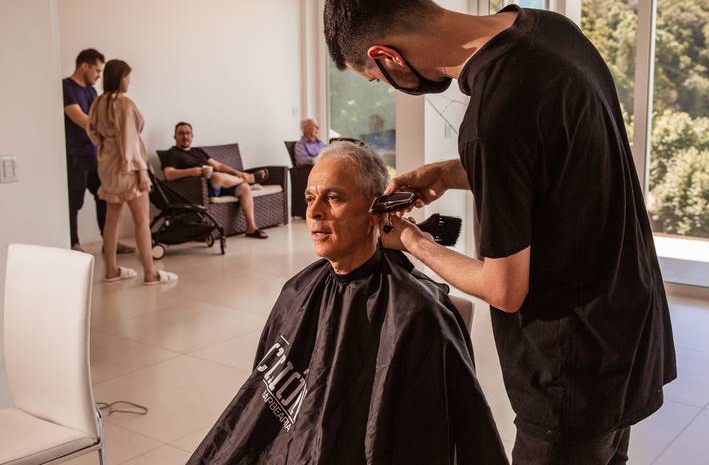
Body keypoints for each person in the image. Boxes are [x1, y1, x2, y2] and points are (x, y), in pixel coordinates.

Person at [324, 0, 676, 465]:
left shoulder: (493, 117)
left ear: (388, 55)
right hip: (627, 328)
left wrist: (414, 242)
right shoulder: (550, 30)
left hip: (570, 368)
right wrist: (452, 172)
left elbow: (504, 289)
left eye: (377, 78)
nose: (387, 87)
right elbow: (558, 161)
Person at [188, 142, 508, 465]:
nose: (314, 212)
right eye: (310, 198)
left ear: (376, 211)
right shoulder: (297, 290)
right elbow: (261, 399)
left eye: (333, 197)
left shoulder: (415, 314)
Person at [87, 60, 177, 285]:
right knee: (142, 221)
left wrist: (106, 144)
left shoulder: (98, 102)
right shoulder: (124, 104)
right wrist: (142, 172)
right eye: (127, 77)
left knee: (111, 221)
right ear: (120, 78)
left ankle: (111, 270)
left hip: (108, 168)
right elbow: (130, 142)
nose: (129, 81)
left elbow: (92, 132)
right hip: (128, 169)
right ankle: (150, 273)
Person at [64, 48, 134, 254]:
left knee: (105, 196)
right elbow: (79, 117)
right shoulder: (66, 88)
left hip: (95, 154)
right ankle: (74, 244)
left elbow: (98, 118)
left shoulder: (91, 91)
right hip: (75, 155)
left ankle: (109, 242)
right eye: (97, 70)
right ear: (84, 66)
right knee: (74, 202)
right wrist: (108, 131)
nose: (98, 76)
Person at [161, 122, 268, 239]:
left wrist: (238, 173)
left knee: (244, 188)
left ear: (192, 136)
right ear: (175, 136)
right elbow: (168, 174)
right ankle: (250, 180)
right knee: (217, 176)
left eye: (188, 133)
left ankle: (251, 227)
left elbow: (219, 166)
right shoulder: (172, 153)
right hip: (200, 190)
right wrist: (191, 171)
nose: (185, 136)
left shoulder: (198, 151)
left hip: (219, 184)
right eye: (181, 133)